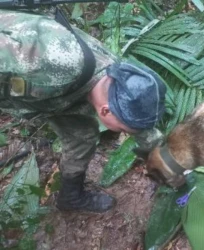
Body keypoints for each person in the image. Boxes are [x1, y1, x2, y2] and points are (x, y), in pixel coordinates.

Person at [0, 9, 167, 213]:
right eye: (124, 130)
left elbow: (140, 127)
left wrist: (168, 162)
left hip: (58, 96)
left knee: (82, 136)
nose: (127, 132)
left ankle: (70, 197)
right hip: (21, 71)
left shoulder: (118, 80)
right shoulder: (57, 62)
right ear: (105, 112)